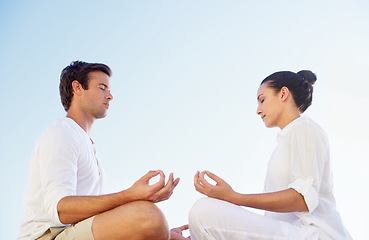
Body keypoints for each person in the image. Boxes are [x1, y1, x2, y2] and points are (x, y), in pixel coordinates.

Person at [18, 61, 189, 240]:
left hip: (73, 232)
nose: (110, 96)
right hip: (48, 236)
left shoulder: (87, 144)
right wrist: (131, 196)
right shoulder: (61, 133)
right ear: (77, 88)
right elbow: (60, 210)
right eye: (102, 88)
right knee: (148, 217)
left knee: (154, 224)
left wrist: (162, 235)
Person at [189, 70, 352, 239]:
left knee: (203, 213)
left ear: (283, 93)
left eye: (262, 100)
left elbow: (302, 198)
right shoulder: (284, 141)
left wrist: (234, 198)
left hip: (316, 234)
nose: (258, 110)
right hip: (292, 233)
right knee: (204, 219)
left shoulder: (305, 128)